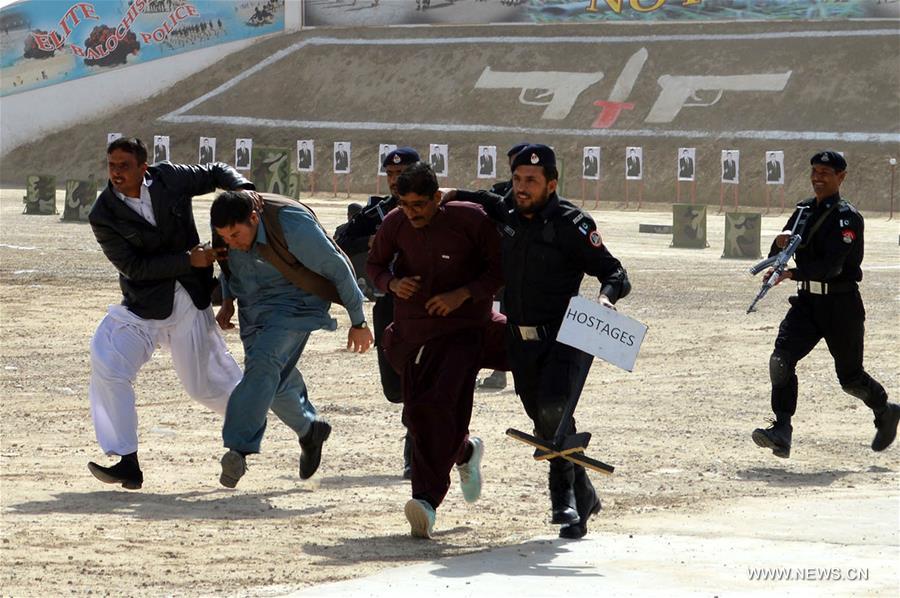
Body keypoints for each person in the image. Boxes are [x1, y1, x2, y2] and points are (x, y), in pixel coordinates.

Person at [446, 144, 631, 540]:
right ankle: (585, 497)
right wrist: (450, 194)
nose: (522, 187)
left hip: (564, 337)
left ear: (551, 183)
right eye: (517, 180)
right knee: (546, 419)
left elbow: (615, 271)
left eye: (531, 180)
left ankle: (561, 498)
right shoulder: (508, 211)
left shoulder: (572, 223)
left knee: (553, 410)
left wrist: (605, 299)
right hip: (519, 339)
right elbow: (484, 198)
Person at [86, 137, 251, 489]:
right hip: (142, 307)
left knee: (203, 387)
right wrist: (187, 259)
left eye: (124, 166)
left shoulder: (169, 178)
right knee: (108, 362)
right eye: (111, 165)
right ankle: (127, 462)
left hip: (189, 301)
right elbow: (132, 266)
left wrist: (243, 191)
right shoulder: (102, 214)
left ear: (143, 167)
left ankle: (250, 421)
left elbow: (216, 171)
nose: (116, 172)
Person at [367, 162, 506, 538]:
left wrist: (462, 294)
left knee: (438, 405)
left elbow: (500, 269)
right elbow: (374, 265)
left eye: (420, 205)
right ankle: (463, 452)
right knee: (417, 415)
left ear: (437, 198)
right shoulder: (395, 222)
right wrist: (392, 284)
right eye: (405, 204)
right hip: (414, 336)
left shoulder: (470, 220)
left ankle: (425, 501)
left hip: (464, 329)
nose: (412, 213)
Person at [211, 191, 373, 487]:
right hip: (253, 309)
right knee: (274, 381)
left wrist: (358, 321)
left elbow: (338, 267)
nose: (230, 242)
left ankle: (238, 449)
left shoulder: (291, 226)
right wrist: (227, 300)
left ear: (254, 218)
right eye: (225, 237)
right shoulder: (225, 229)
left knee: (263, 365)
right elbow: (229, 266)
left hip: (295, 305)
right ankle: (310, 429)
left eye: (236, 234)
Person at [752, 151, 899, 458]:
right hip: (807, 303)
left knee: (850, 379)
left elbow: (832, 265)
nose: (818, 177)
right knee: (781, 360)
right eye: (815, 171)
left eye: (826, 173)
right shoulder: (804, 209)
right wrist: (778, 250)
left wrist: (791, 273)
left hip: (840, 305)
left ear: (841, 177)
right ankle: (782, 430)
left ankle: (885, 410)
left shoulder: (848, 217)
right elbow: (784, 246)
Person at [334, 147, 420, 478]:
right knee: (395, 388)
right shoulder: (380, 212)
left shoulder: (439, 208)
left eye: (403, 174)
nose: (396, 181)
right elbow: (342, 239)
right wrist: (373, 239)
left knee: (419, 381)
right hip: (389, 305)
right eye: (391, 175)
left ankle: (415, 450)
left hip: (428, 306)